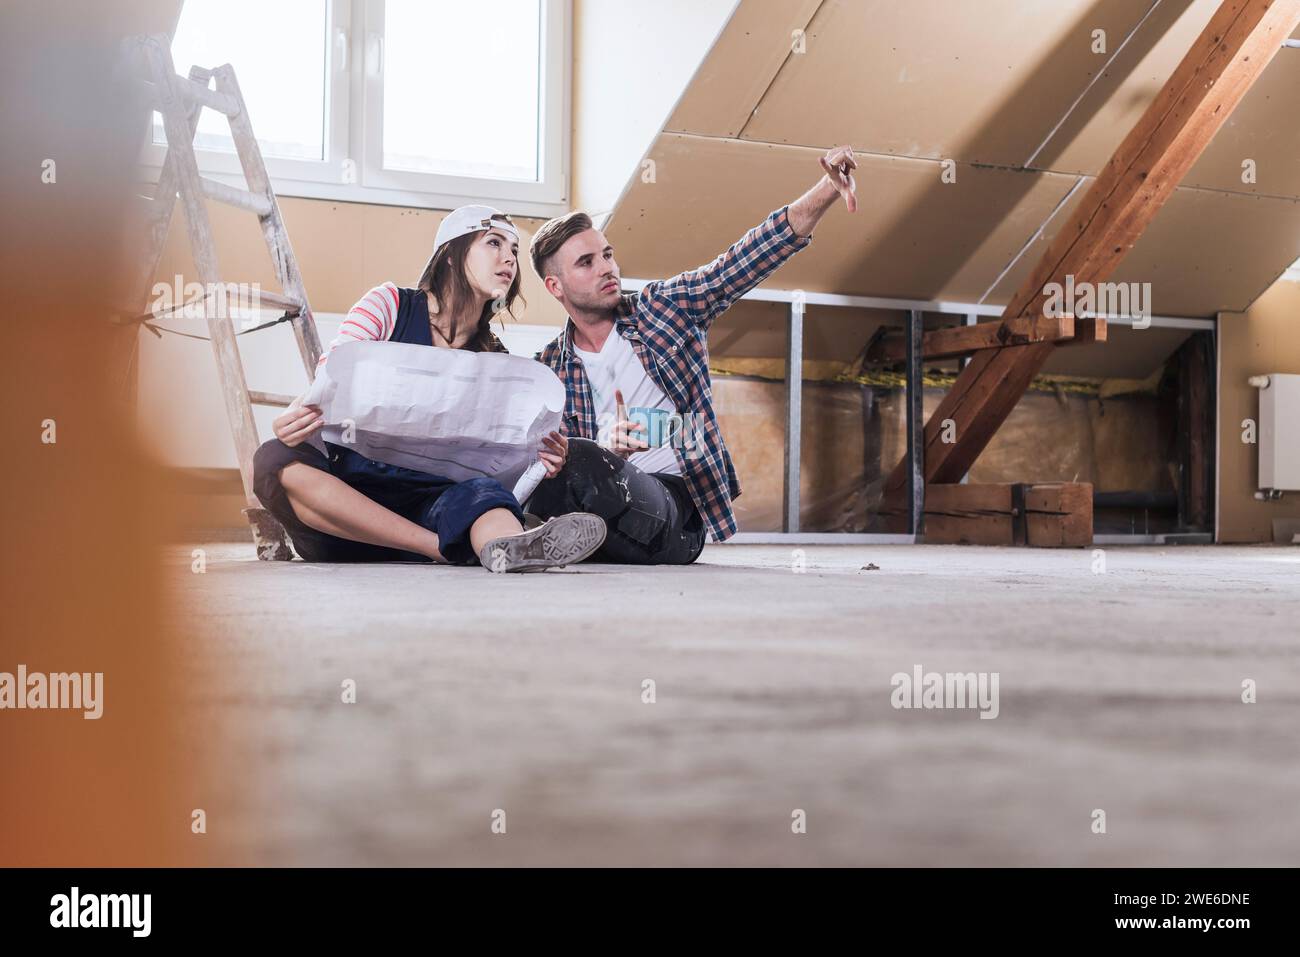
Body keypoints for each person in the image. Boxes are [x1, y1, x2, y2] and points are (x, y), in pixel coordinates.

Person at [525, 145, 859, 564]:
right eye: (586, 263)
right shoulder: (550, 367)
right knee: (561, 464)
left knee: (586, 461)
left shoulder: (664, 310)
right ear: (556, 286)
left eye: (607, 255)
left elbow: (743, 261)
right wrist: (607, 449)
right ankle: (543, 536)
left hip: (673, 510)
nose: (607, 268)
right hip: (598, 497)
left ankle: (562, 537)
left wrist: (827, 189)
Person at [251, 205, 605, 572]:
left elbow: (502, 454)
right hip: (350, 503)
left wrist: (543, 453)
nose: (508, 259)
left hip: (430, 499)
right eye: (494, 243)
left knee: (488, 497)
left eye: (514, 250)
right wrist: (292, 417)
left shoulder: (494, 357)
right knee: (274, 458)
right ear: (451, 254)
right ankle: (439, 548)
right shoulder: (390, 306)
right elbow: (332, 380)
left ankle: (510, 548)